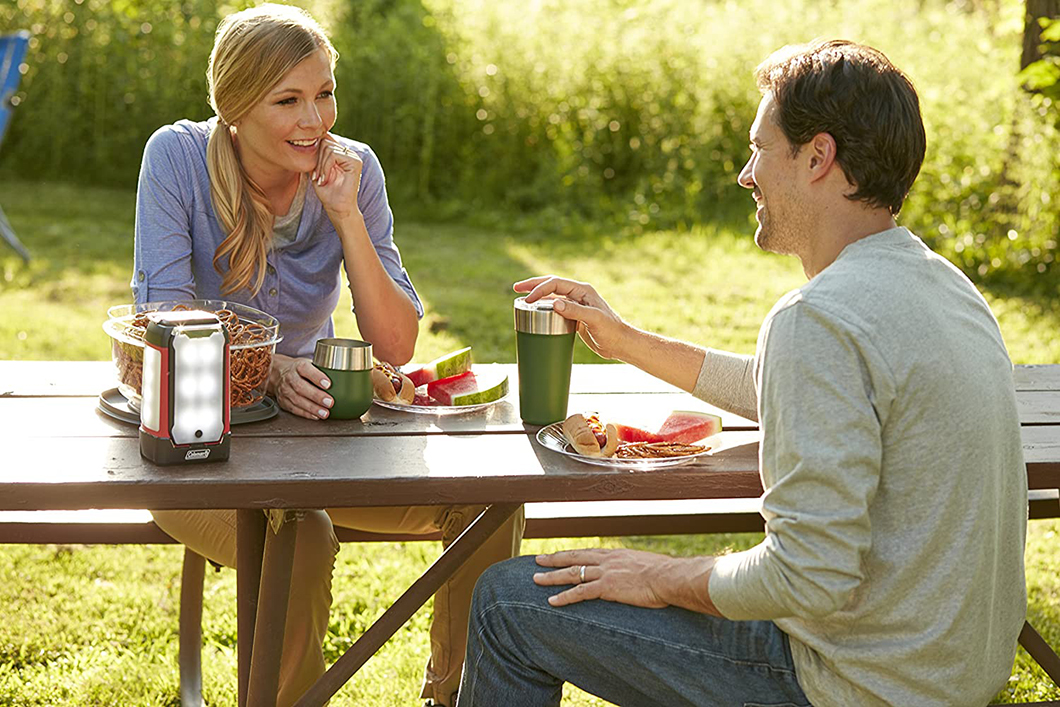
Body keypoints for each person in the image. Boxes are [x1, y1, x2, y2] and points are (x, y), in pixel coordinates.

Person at [457, 40, 1027, 707]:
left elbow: (806, 578)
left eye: (760, 148)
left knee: (507, 603)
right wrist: (625, 340)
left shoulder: (819, 318)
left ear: (818, 157)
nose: (745, 174)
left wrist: (662, 574)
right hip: (953, 675)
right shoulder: (946, 290)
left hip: (852, 685)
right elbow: (781, 389)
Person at [132, 5, 522, 706]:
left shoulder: (353, 169)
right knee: (299, 535)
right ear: (236, 105)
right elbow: (167, 321)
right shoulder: (177, 159)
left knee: (490, 498)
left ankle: (455, 696)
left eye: (324, 93)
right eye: (289, 100)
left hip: (318, 441)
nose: (315, 119)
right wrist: (271, 366)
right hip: (193, 444)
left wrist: (345, 213)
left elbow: (397, 344)